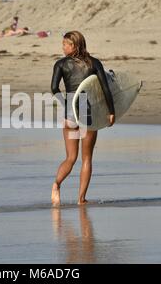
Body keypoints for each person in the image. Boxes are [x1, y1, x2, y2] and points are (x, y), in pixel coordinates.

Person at [50, 31, 115, 206]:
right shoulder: (94, 63)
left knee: (70, 157)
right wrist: (111, 111)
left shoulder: (60, 64)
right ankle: (81, 199)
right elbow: (105, 88)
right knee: (86, 159)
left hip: (70, 115)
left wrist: (66, 104)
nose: (63, 47)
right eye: (63, 44)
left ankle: (56, 185)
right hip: (88, 113)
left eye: (66, 44)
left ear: (75, 46)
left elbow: (54, 88)